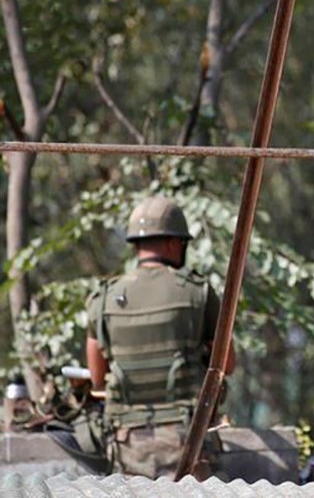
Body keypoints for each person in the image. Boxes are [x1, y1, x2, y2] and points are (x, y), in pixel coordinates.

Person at [85, 196, 234, 479]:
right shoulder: (197, 292)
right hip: (188, 442)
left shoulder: (104, 298)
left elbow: (96, 377)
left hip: (127, 445)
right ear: (172, 242)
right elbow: (227, 363)